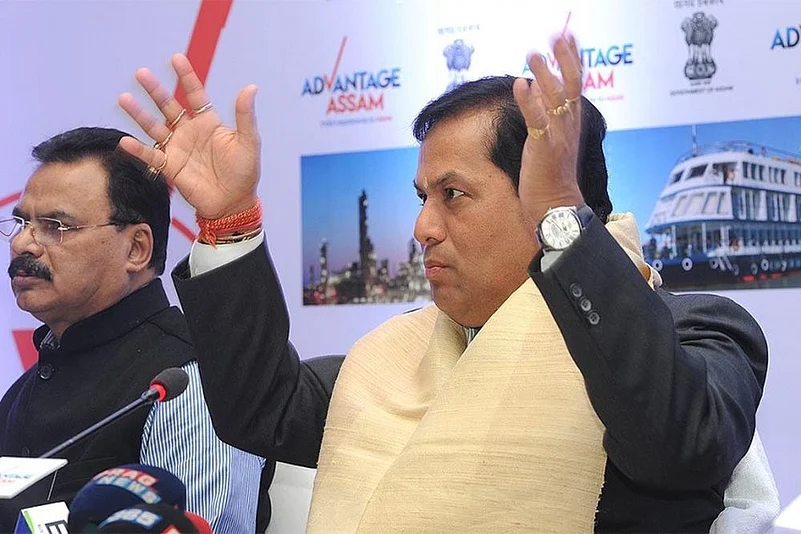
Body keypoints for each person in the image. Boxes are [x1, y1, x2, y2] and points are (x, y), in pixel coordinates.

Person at [118, 35, 772, 532]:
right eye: (422, 197)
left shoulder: (697, 330)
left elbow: (675, 449)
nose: (423, 227)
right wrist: (228, 221)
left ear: (547, 188)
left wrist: (561, 223)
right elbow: (265, 408)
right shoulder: (398, 359)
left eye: (452, 195)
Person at [0, 127, 269, 532]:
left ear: (137, 248)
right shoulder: (29, 384)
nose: (23, 243)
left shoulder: (186, 382)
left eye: (56, 225)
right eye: (22, 222)